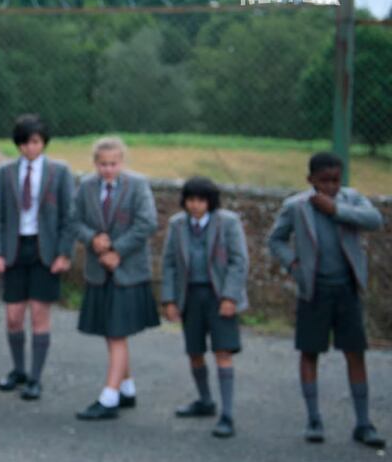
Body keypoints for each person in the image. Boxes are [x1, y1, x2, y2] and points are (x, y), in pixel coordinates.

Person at [267, 152, 385, 448]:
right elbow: (275, 239)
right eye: (324, 181)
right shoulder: (296, 206)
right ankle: (314, 420)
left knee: (355, 353)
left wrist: (336, 209)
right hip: (314, 291)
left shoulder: (351, 199)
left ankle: (363, 422)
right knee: (310, 352)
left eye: (336, 180)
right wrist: (293, 265)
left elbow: (375, 220)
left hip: (346, 289)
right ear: (310, 181)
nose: (332, 186)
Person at [72, 136, 160, 420]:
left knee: (116, 332)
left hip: (127, 272)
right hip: (99, 272)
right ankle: (127, 388)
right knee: (112, 331)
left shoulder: (138, 185)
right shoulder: (86, 186)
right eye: (102, 164)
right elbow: (74, 220)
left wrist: (117, 251)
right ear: (95, 163)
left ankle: (109, 397)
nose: (108, 169)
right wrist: (93, 239)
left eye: (113, 164)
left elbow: (147, 222)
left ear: (121, 162)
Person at [0, 114, 74, 400]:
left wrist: (64, 252)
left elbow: (68, 216)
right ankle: (19, 370)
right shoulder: (5, 172)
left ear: (44, 143)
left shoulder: (59, 172)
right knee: (13, 316)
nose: (30, 148)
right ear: (18, 145)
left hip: (44, 251)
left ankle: (35, 378)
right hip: (15, 250)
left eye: (35, 142)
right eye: (24, 142)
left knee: (39, 315)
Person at [160, 177, 248, 438]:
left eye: (201, 200)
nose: (195, 205)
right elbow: (169, 264)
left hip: (218, 296)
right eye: (190, 200)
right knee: (194, 351)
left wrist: (230, 297)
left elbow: (238, 261)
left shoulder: (227, 222)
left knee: (223, 351)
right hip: (191, 296)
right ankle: (205, 400)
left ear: (210, 202)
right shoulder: (177, 225)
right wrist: (170, 300)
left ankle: (227, 414)